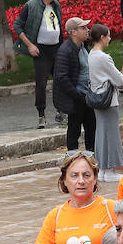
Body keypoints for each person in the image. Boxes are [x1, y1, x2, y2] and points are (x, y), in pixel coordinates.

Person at [16, 0, 66, 128]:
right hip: (41, 50)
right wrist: (30, 45)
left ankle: (61, 110)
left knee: (61, 80)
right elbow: (18, 26)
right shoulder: (31, 5)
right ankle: (41, 115)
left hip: (56, 48)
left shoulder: (55, 5)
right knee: (41, 83)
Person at [85, 23, 123, 179]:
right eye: (108, 36)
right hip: (108, 100)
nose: (109, 39)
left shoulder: (91, 55)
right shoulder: (104, 57)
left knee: (101, 133)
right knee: (111, 134)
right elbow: (119, 79)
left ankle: (102, 169)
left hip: (97, 98)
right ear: (101, 37)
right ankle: (109, 170)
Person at [52, 16, 96, 152]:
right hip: (77, 97)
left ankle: (91, 156)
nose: (87, 30)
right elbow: (61, 77)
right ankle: (71, 158)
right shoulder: (66, 50)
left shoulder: (83, 47)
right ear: (73, 32)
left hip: (87, 95)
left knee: (92, 127)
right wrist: (76, 94)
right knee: (74, 129)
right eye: (83, 28)